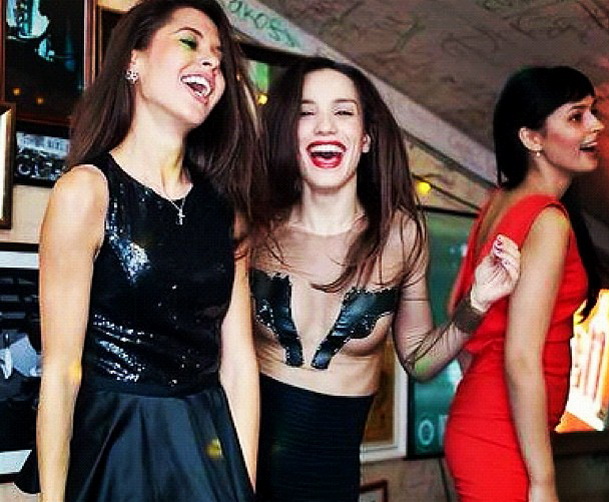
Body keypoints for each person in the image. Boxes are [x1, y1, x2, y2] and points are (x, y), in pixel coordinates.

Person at [15, 1, 261, 500]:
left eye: (219, 57)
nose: (211, 63)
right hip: (114, 445)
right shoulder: (87, 191)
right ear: (135, 59)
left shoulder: (226, 210)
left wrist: (242, 487)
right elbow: (60, 373)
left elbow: (239, 364)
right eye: (190, 41)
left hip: (204, 448)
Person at [251, 56, 521, 502]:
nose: (325, 126)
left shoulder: (401, 235)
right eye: (305, 112)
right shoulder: (254, 226)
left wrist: (476, 304)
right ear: (287, 132)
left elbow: (419, 362)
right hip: (239, 474)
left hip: (332, 485)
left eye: (342, 111)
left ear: (365, 138)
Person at [444, 66, 604, 502]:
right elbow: (520, 356)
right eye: (577, 117)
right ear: (532, 138)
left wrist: (481, 393)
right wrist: (543, 481)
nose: (596, 126)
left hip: (490, 423)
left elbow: (458, 311)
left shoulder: (500, 201)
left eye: (593, 112)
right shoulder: (546, 220)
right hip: (500, 435)